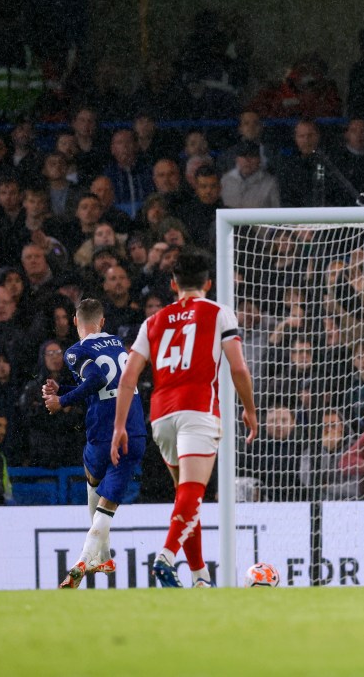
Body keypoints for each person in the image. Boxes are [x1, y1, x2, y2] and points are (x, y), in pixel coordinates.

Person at [112, 249, 257, 588]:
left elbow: (128, 378)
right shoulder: (220, 313)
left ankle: (200, 577)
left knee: (185, 497)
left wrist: (120, 425)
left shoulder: (153, 321)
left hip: (161, 415)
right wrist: (249, 410)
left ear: (173, 284)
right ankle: (165, 555)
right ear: (208, 283)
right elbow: (237, 366)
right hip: (198, 409)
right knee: (193, 491)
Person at [43, 299, 148, 588]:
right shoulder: (116, 342)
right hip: (135, 429)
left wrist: (61, 401)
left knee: (93, 482)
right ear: (102, 322)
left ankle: (85, 558)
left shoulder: (76, 351)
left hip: (104, 432)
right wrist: (62, 389)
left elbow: (98, 379)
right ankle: (102, 556)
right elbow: (106, 384)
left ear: (76, 320)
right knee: (107, 501)